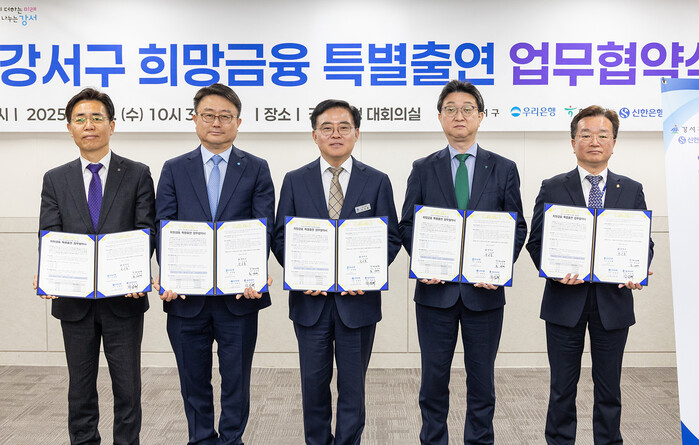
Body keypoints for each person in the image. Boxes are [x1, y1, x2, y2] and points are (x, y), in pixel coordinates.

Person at [398, 80, 527, 445]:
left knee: (482, 382)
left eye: (468, 109)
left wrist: (498, 268)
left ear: (481, 116)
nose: (459, 115)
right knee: (433, 381)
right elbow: (407, 224)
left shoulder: (503, 168)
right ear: (440, 117)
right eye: (451, 109)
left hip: (484, 294)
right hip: (434, 295)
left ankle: (479, 441)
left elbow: (517, 226)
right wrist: (425, 262)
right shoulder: (423, 168)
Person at [272, 99, 401, 445]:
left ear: (356, 133)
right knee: (313, 385)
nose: (335, 134)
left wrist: (368, 275)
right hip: (310, 302)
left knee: (352, 387)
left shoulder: (376, 181)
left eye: (344, 127)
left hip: (357, 303)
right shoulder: (295, 180)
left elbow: (390, 237)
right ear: (314, 135)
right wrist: (301, 275)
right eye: (326, 128)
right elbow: (281, 236)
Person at [154, 83, 275, 445]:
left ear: (238, 122)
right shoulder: (174, 168)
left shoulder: (256, 168)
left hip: (239, 297)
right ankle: (201, 439)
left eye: (225, 116)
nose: (217, 122)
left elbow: (263, 227)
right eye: (209, 115)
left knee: (236, 379)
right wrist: (169, 274)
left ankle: (232, 439)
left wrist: (255, 272)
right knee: (193, 379)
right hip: (186, 297)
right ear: (195, 120)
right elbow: (164, 225)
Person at [526, 106, 654, 444]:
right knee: (562, 388)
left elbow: (644, 241)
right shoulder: (553, 187)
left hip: (613, 303)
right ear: (573, 143)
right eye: (586, 135)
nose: (594, 141)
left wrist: (638, 269)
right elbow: (536, 242)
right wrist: (553, 271)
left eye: (602, 135)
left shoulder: (631, 189)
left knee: (609, 389)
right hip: (564, 302)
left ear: (614, 143)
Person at [34, 87, 155, 444]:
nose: (89, 125)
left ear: (112, 125)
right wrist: (48, 271)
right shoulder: (55, 178)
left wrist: (137, 271)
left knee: (128, 388)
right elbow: (49, 232)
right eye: (80, 119)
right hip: (74, 302)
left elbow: (146, 229)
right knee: (80, 389)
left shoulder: (137, 173)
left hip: (124, 299)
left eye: (97, 117)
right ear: (69, 128)